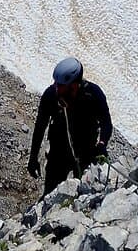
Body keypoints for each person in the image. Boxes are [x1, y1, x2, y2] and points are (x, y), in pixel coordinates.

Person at [28, 57, 112, 193]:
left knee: (86, 192)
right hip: (58, 153)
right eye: (57, 84)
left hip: (87, 151)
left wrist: (102, 143)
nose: (57, 88)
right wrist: (33, 158)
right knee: (50, 192)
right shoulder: (50, 96)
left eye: (61, 85)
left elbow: (106, 122)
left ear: (73, 84)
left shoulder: (93, 94)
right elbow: (40, 127)